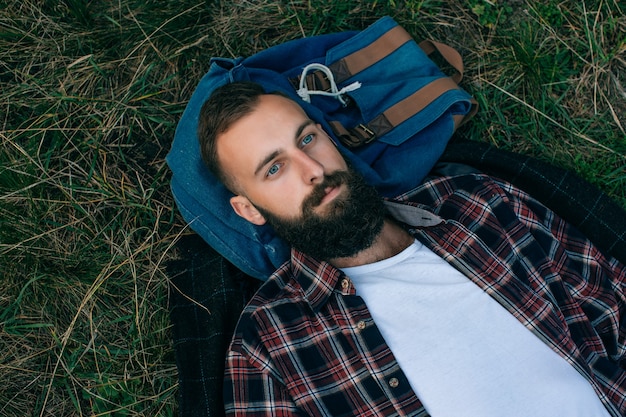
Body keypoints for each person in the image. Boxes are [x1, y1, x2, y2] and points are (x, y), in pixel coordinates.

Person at [197, 81, 625, 417]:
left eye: (307, 140)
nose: (313, 170)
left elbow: (613, 304)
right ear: (249, 209)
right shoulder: (268, 343)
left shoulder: (476, 204)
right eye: (275, 168)